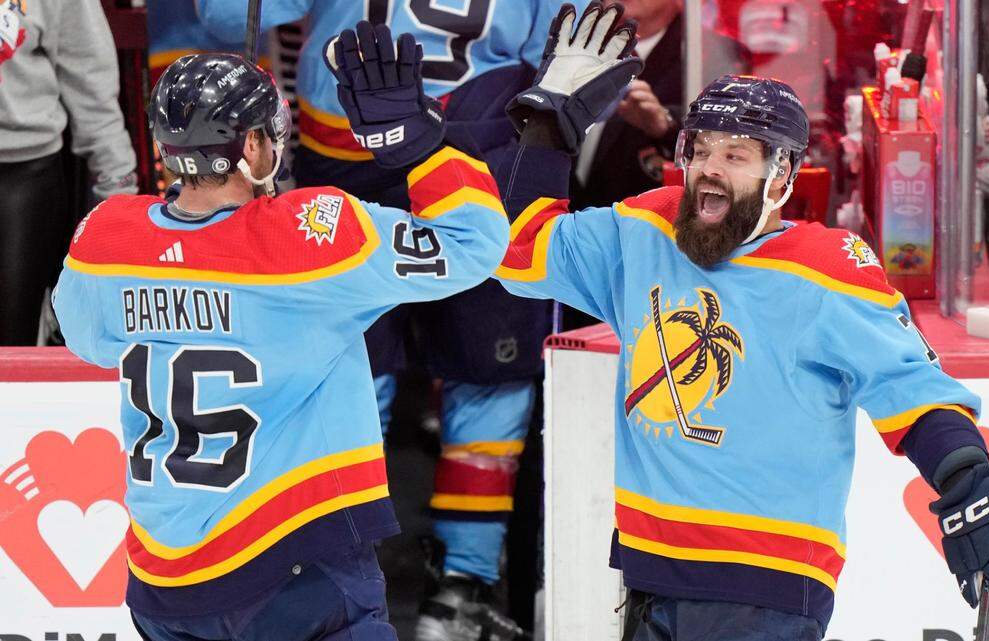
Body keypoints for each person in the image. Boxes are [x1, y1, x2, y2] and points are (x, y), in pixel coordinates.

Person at [501, 54, 989, 638]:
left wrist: (969, 485)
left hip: (764, 590)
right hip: (650, 574)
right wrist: (546, 130)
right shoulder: (644, 230)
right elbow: (517, 252)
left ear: (781, 177)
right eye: (701, 150)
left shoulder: (828, 270)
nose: (710, 168)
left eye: (735, 156)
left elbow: (910, 389)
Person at [51, 23, 510, 640]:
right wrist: (423, 150)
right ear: (252, 148)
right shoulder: (308, 235)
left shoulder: (105, 237)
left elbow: (87, 341)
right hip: (292, 571)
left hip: (161, 584)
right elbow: (476, 245)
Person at [194, 4, 583, 636]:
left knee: (355, 373)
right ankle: (459, 589)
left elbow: (222, 16)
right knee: (485, 376)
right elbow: (577, 60)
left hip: (352, 151)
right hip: (475, 150)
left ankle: (349, 570)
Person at [0, 0, 137, 346]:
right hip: (25, 172)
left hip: (22, 176)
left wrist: (118, 185)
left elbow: (89, 74)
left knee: (10, 343)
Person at [572, 0, 749, 210]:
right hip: (563, 213)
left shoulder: (715, 54)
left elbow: (729, 140)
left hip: (647, 223)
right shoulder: (571, 43)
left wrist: (665, 125)